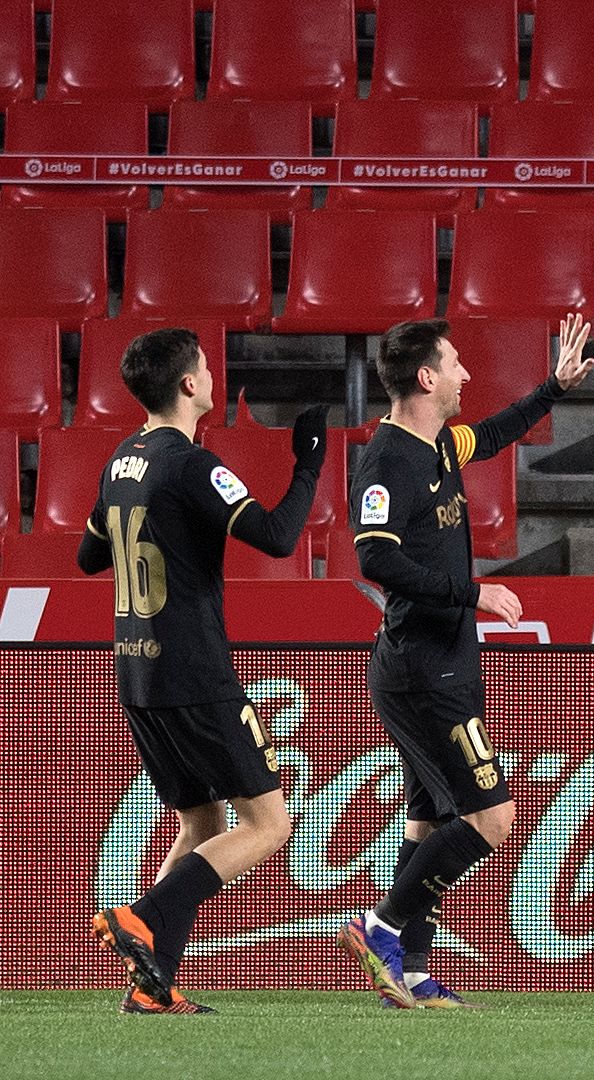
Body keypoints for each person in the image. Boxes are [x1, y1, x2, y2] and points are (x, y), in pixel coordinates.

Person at [338, 313, 594, 1008]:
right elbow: (375, 557)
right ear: (425, 377)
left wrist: (554, 389)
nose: (466, 375)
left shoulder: (438, 445)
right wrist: (474, 592)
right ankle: (380, 924)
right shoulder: (388, 458)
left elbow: (496, 431)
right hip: (423, 667)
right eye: (454, 364)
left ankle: (410, 975)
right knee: (492, 817)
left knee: (426, 820)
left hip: (443, 659)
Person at [80, 327, 326, 1014]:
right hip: (194, 671)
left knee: (199, 820)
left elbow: (87, 558)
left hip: (137, 674)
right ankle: (143, 916)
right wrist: (309, 462)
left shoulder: (120, 460)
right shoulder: (190, 464)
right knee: (269, 823)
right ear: (189, 384)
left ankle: (151, 985)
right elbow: (277, 538)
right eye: (207, 368)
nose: (213, 376)